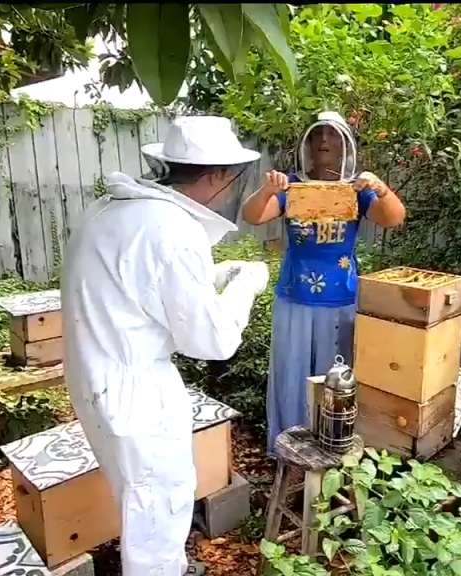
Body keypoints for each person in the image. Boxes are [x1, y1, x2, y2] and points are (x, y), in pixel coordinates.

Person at [61, 116, 270, 576]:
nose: (233, 187)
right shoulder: (172, 230)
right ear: (216, 175)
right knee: (158, 506)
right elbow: (213, 340)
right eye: (233, 177)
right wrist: (246, 285)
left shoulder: (110, 209)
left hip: (94, 377)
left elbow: (142, 288)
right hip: (136, 394)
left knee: (137, 495)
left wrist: (216, 276)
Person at [240, 111, 406, 455]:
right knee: (292, 373)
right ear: (309, 144)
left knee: (337, 381)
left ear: (346, 145)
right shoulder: (291, 185)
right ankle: (290, 448)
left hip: (341, 299)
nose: (326, 141)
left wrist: (380, 187)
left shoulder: (357, 190)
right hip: (294, 298)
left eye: (333, 135)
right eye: (319, 135)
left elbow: (394, 218)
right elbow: (253, 215)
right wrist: (268, 188)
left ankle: (334, 446)